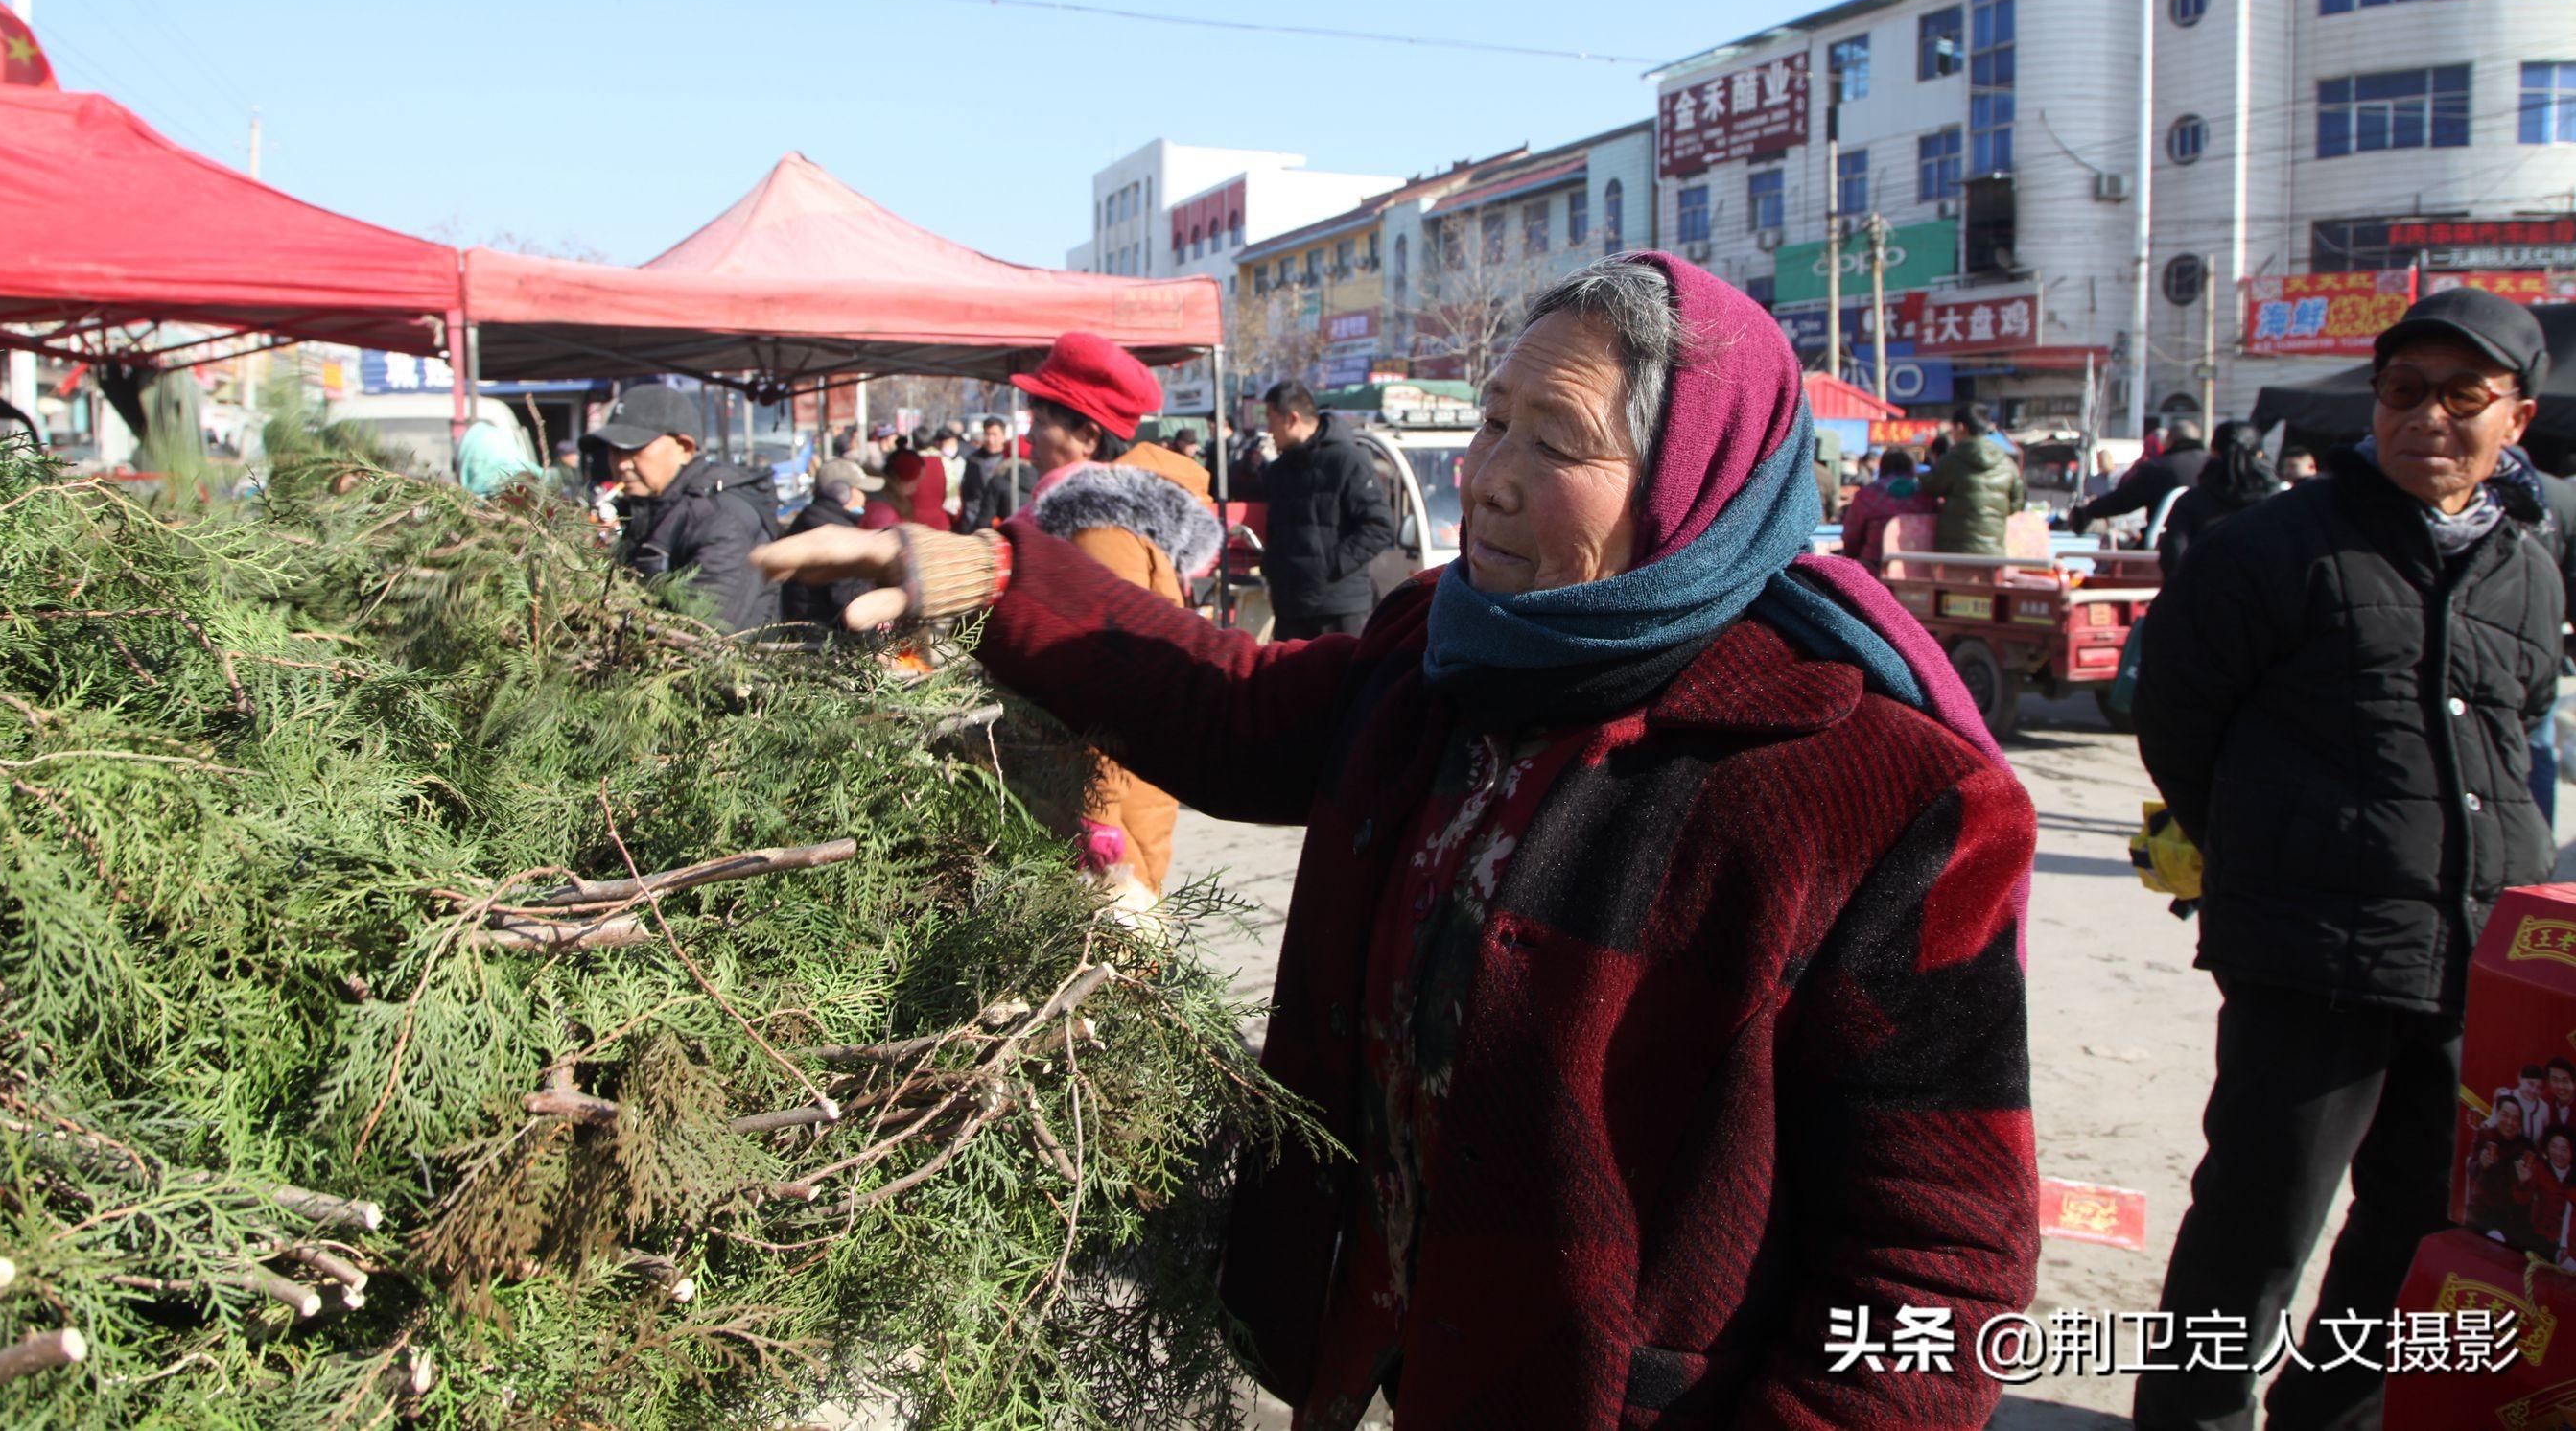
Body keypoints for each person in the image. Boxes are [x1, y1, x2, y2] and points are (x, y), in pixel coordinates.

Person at [752, 254, 2038, 1428]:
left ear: (1696, 479)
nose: (1487, 475)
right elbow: (1238, 709)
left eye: (1558, 440)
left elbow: (1938, 1262)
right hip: (1387, 1360)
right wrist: (986, 573)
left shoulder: (1869, 793)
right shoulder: (1446, 646)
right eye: (1490, 420)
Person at [2132, 288, 2564, 1431]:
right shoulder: (2270, 545)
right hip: (2308, 953)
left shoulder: (2528, 567)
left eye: (2460, 397)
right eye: (2401, 391)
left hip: (2467, 955)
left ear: (2514, 418)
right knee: (2257, 1217)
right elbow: (2177, 718)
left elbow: (2518, 738)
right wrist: (2275, 855)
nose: (2427, 418)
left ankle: (2334, 1417)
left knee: (2419, 1219)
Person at [1008, 334, 1223, 907]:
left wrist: (1096, 820)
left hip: (1109, 800)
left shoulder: (1099, 527)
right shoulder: (1090, 513)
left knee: (1116, 954)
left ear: (1087, 436)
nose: (1027, 437)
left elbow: (1109, 680)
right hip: (1098, 782)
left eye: (1040, 421)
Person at [593, 384, 783, 634]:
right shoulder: (651, 508)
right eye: (615, 451)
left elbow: (703, 628)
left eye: (635, 448)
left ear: (684, 447)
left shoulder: (722, 518)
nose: (622, 463)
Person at [1257, 379, 1395, 640]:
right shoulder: (1278, 472)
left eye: (1270, 419)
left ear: (1292, 418)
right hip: (1290, 608)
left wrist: (1326, 566)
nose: (1268, 429)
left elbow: (1379, 527)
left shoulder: (1347, 460)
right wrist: (1273, 569)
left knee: (1344, 681)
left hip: (1339, 608)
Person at [2155, 420, 2282, 576]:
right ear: (2260, 454)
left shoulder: (2190, 502)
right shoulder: (2281, 504)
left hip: (2205, 593)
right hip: (2268, 594)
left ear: (2214, 452)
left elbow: (2173, 558)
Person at [778, 457, 879, 629]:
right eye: (860, 490)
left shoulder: (810, 520)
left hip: (806, 630)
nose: (865, 497)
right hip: (826, 639)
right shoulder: (837, 535)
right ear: (843, 493)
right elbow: (846, 601)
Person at [2067, 416, 2208, 540]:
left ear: (2169, 442)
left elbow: (2123, 501)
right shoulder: (2214, 464)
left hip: (2168, 543)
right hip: (2213, 541)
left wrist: (2085, 512)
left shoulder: (2157, 468)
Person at [1914, 403, 2020, 556]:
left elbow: (1929, 486)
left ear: (1961, 427)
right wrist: (1994, 512)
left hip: (1954, 550)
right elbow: (2017, 502)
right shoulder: (2007, 462)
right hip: (1994, 551)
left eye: (1952, 429)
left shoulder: (1952, 459)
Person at [1840, 446, 1922, 562]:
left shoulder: (1867, 495)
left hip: (1873, 566)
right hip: (1918, 566)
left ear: (1883, 466)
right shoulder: (1926, 495)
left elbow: (1851, 537)